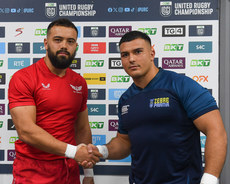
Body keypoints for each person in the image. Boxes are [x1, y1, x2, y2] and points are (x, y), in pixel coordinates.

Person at [89, 31, 228, 184]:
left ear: (151, 53)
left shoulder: (181, 85)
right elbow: (124, 142)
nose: (132, 59)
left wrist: (209, 179)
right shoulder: (126, 99)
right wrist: (102, 151)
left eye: (138, 52)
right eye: (125, 55)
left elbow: (215, 131)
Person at [8, 18, 101, 184]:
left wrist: (88, 173)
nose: (64, 45)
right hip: (32, 173)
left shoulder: (79, 82)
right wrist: (73, 151)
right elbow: (26, 130)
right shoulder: (24, 78)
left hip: (69, 172)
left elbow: (82, 128)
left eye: (70, 41)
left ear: (76, 46)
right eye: (58, 40)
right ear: (46, 43)